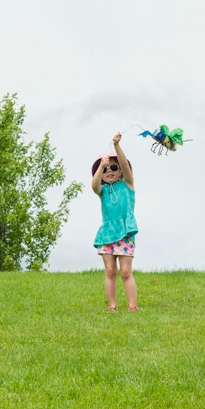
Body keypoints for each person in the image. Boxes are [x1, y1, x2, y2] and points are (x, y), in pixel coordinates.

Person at [92, 132, 138, 311]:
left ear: (119, 171)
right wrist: (100, 167)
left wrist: (116, 146)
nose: (109, 171)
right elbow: (94, 185)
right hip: (107, 234)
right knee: (110, 271)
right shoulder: (102, 190)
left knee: (125, 272)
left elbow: (125, 165)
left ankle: (132, 305)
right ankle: (112, 305)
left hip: (125, 232)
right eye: (105, 170)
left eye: (112, 167)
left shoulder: (127, 183)